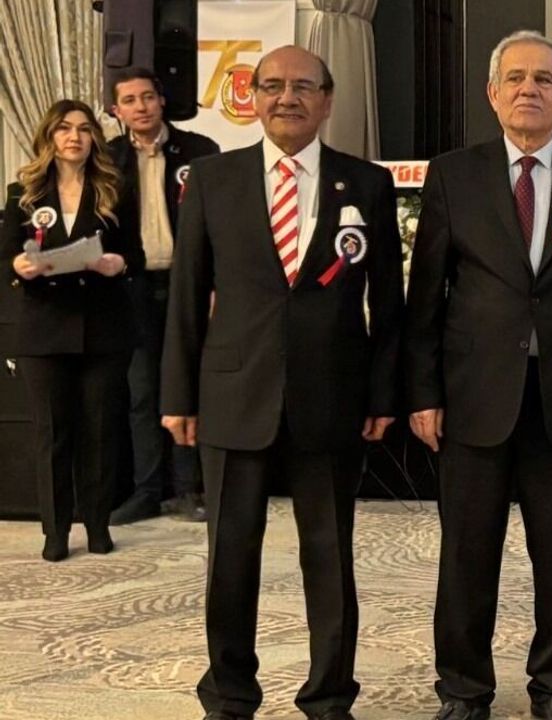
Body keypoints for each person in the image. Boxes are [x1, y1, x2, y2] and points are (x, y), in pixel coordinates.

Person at [159, 45, 403, 720]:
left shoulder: (366, 184)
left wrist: (384, 393)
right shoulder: (213, 180)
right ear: (253, 98)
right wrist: (177, 396)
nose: (286, 97)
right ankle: (228, 694)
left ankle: (329, 697)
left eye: (302, 86)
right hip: (234, 395)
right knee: (230, 558)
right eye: (271, 86)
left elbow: (389, 304)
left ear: (327, 100)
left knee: (329, 558)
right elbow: (186, 296)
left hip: (333, 399)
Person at [403, 29, 552, 720]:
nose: (529, 89)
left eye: (543, 80)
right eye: (516, 78)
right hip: (474, 396)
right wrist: (423, 391)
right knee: (466, 553)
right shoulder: (453, 175)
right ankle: (463, 688)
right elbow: (427, 297)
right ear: (492, 93)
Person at [1, 99, 141, 561]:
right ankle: (55, 532)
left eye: (83, 128)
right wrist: (19, 266)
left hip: (103, 327)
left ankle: (98, 525)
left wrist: (118, 263)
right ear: (49, 136)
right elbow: (6, 258)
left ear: (94, 138)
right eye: (64, 128)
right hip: (43, 329)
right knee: (52, 433)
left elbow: (135, 256)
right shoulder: (21, 193)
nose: (74, 137)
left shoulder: (114, 189)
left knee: (99, 431)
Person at [108, 65, 220, 525]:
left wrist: (217, 284)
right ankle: (147, 491)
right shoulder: (108, 158)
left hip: (187, 283)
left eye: (148, 97)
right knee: (141, 392)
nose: (141, 107)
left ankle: (189, 488)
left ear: (162, 101)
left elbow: (220, 226)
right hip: (131, 287)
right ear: (116, 111)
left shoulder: (199, 151)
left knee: (188, 386)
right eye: (130, 100)